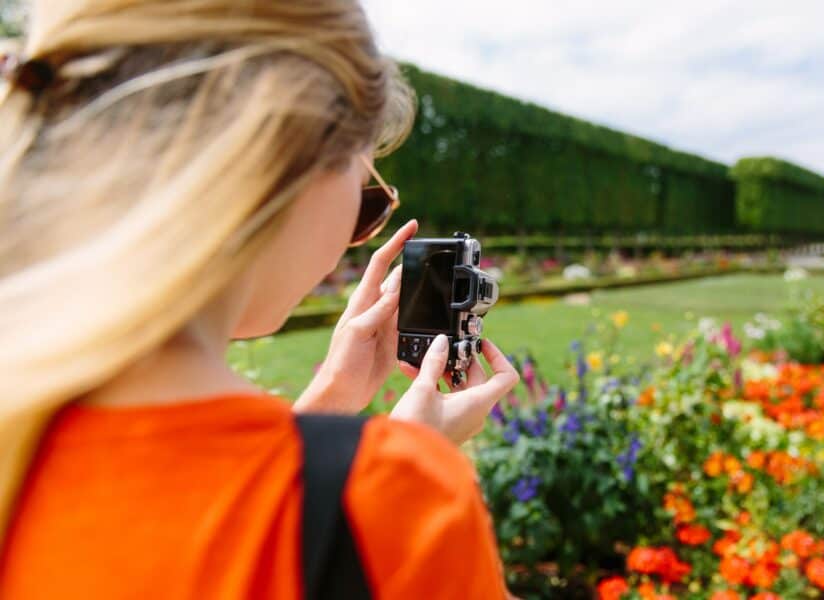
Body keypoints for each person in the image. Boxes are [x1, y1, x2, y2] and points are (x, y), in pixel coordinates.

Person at [0, 1, 520, 598]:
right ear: (288, 159)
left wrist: (331, 399)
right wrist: (392, 469)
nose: (360, 233)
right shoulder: (390, 502)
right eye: (366, 200)